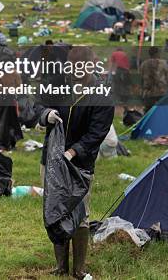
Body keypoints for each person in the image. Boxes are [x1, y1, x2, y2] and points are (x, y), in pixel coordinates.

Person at [39, 46, 114, 279]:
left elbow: (96, 133)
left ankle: (79, 269)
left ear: (93, 64)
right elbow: (36, 105)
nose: (76, 72)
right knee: (54, 209)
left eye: (81, 67)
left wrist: (72, 152)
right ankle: (60, 266)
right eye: (72, 67)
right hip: (51, 161)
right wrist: (46, 114)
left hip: (79, 165)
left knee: (80, 215)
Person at [140, 47, 168, 112]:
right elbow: (167, 75)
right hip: (161, 91)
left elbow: (142, 77)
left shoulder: (144, 64)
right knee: (163, 111)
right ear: (157, 53)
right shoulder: (163, 63)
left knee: (148, 111)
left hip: (148, 92)